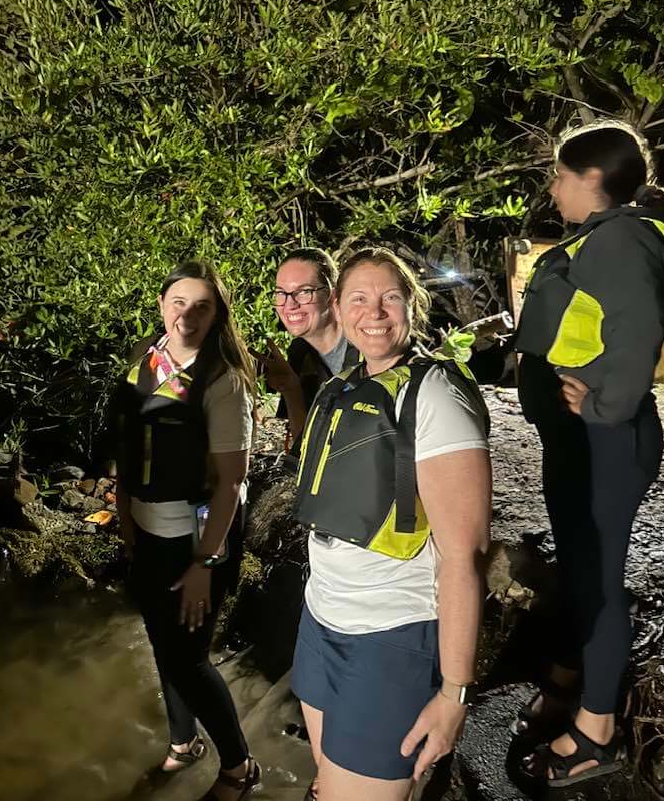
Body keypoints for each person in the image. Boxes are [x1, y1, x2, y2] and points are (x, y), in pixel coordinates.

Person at [290, 247, 492, 801]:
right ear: (338, 306)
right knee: (326, 784)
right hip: (322, 622)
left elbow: (463, 555)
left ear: (413, 306)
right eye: (359, 298)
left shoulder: (437, 396)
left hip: (391, 636)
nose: (374, 313)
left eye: (390, 298)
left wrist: (454, 694)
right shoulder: (345, 385)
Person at [514, 121, 664, 788]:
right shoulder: (602, 238)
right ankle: (572, 676)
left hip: (608, 440)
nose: (553, 189)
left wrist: (602, 407)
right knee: (581, 566)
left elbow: (635, 348)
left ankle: (595, 732)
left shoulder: (619, 243)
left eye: (558, 175)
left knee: (602, 584)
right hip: (582, 443)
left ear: (591, 179)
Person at [113, 259, 261, 801]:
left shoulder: (223, 381)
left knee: (189, 658)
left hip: (200, 538)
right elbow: (131, 448)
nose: (187, 315)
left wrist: (204, 563)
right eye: (178, 302)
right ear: (161, 305)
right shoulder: (145, 361)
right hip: (150, 531)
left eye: (202, 305)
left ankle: (241, 767)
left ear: (218, 313)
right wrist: (127, 519)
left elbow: (230, 482)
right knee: (160, 641)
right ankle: (184, 743)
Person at [260, 248, 359, 449]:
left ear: (332, 295)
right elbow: (301, 444)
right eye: (281, 293)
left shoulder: (364, 346)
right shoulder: (300, 351)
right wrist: (291, 390)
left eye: (304, 292)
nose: (290, 305)